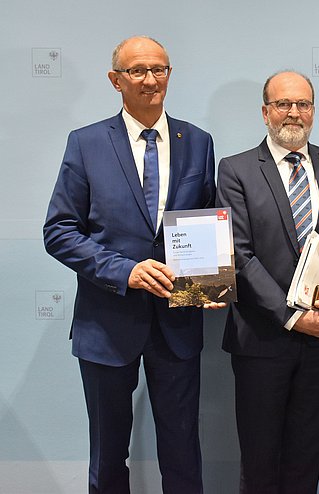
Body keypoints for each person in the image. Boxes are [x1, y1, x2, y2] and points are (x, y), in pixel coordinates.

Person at [43, 36, 218, 493]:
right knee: (108, 454)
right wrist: (125, 271)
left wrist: (209, 283)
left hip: (178, 322)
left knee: (183, 452)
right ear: (115, 80)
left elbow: (202, 222)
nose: (150, 80)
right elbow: (59, 231)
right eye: (138, 70)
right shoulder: (85, 144)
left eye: (159, 70)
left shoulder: (198, 142)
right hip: (107, 324)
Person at [215, 70, 319, 494]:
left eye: (303, 104)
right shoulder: (236, 170)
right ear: (265, 111)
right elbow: (239, 255)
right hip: (260, 340)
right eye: (283, 104)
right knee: (260, 460)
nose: (293, 113)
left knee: (306, 458)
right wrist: (289, 316)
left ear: (313, 111)